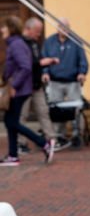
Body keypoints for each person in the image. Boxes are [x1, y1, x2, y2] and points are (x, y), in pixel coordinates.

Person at [1, 16, 52, 165]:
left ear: (10, 28)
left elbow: (25, 67)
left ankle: (43, 143)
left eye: (4, 27)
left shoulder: (16, 44)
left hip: (19, 90)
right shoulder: (16, 43)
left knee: (11, 122)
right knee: (11, 121)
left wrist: (14, 86)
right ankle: (12, 156)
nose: (1, 30)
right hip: (19, 89)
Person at [42, 17, 88, 148]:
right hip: (55, 81)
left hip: (72, 80)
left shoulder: (76, 41)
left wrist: (82, 72)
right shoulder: (49, 42)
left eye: (66, 27)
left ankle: (77, 135)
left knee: (76, 109)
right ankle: (58, 136)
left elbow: (82, 60)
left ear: (69, 28)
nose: (63, 29)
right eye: (61, 27)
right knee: (55, 109)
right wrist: (45, 72)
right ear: (57, 28)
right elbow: (44, 58)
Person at [22, 17, 56, 163]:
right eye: (37, 31)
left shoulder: (35, 43)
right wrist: (42, 62)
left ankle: (51, 140)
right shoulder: (21, 43)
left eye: (40, 32)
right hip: (24, 86)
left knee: (43, 112)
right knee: (21, 116)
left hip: (37, 85)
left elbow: (39, 60)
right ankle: (20, 143)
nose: (39, 34)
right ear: (28, 29)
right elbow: (26, 63)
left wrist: (44, 70)